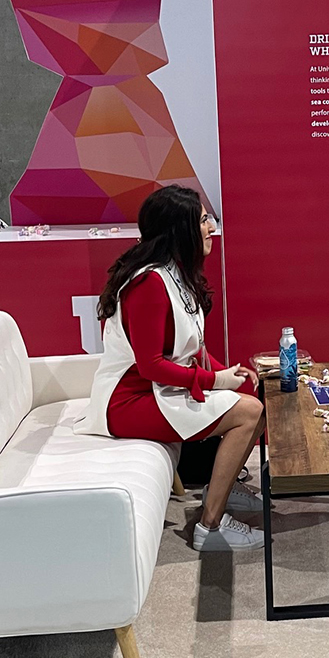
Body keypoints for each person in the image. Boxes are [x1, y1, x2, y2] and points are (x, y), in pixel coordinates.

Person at [77, 184, 266, 552]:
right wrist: (214, 380)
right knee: (250, 412)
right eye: (203, 221)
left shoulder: (175, 273)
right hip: (129, 401)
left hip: (157, 392)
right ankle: (210, 527)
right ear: (179, 230)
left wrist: (228, 373)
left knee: (252, 404)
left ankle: (222, 489)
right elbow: (150, 367)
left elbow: (191, 348)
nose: (211, 228)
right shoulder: (149, 282)